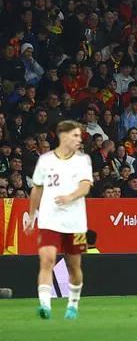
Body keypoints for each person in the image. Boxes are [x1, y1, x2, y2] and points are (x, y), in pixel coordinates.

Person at [24, 119, 92, 320]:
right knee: (47, 259)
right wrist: (32, 216)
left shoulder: (83, 160)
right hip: (49, 219)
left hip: (76, 222)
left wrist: (70, 197)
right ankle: (45, 305)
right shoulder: (45, 160)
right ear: (63, 136)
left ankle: (73, 304)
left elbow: (85, 186)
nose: (79, 139)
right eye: (76, 135)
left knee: (74, 265)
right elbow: (37, 188)